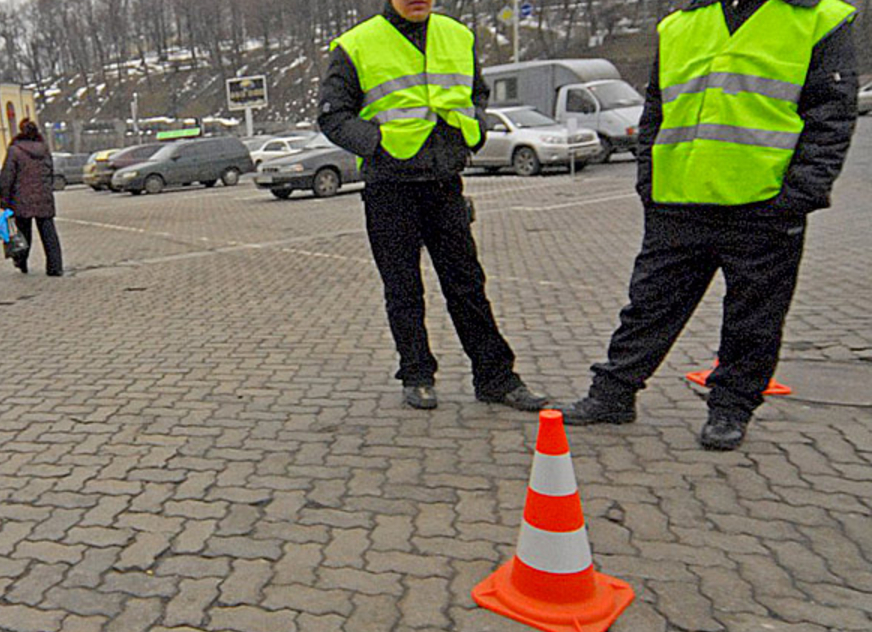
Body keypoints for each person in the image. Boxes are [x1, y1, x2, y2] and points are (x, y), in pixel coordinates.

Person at [561, 0, 859, 450]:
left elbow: (831, 116)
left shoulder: (819, 17)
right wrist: (650, 183)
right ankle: (613, 394)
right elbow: (656, 111)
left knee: (754, 319)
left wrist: (798, 195)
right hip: (679, 200)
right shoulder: (679, 24)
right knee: (649, 305)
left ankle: (730, 408)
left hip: (763, 202)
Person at [319, 0, 547, 412]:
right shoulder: (355, 45)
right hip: (390, 188)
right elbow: (334, 116)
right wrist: (379, 145)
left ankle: (496, 377)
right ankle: (417, 374)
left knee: (467, 285)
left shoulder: (458, 35)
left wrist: (471, 131)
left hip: (444, 183)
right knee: (403, 289)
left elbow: (476, 93)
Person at [0, 119, 64, 277]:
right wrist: (46, 189)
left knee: (23, 232)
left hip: (22, 199)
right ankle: (55, 267)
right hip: (43, 197)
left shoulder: (15, 150)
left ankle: (21, 263)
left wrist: (4, 200)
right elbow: (50, 172)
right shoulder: (44, 149)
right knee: (49, 233)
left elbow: (7, 177)